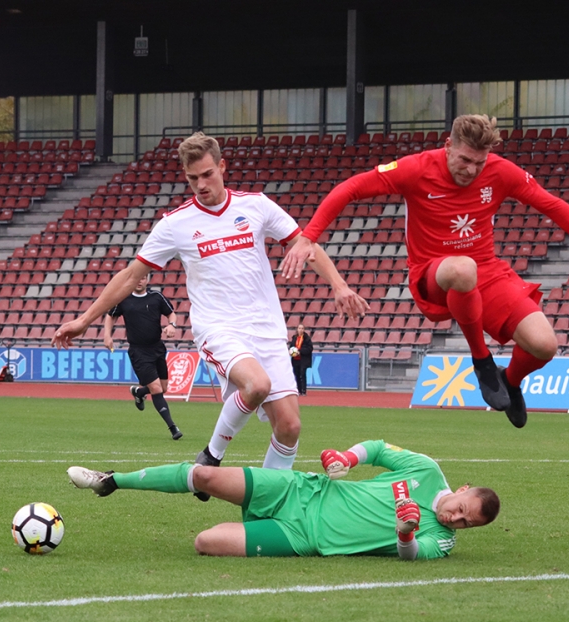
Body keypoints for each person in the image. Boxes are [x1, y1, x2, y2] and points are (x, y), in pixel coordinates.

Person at [52, 132, 368, 501]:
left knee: (290, 426)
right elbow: (131, 275)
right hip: (218, 327)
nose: (201, 185)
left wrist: (339, 285)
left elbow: (305, 246)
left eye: (207, 174)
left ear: (221, 167)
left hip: (266, 328)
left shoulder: (256, 206)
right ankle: (212, 456)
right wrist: (86, 320)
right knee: (256, 385)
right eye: (192, 179)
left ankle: (268, 504)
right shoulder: (176, 223)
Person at [282, 115, 569, 428]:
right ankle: (481, 360)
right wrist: (308, 237)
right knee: (463, 268)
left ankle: (510, 380)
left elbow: (551, 203)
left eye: (479, 163)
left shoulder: (501, 172)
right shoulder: (415, 168)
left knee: (545, 345)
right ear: (448, 144)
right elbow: (350, 188)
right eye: (465, 160)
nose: (471, 170)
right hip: (432, 273)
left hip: (488, 271)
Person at [66, 438, 499, 559]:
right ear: (461, 491)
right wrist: (347, 457)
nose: (454, 521)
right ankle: (111, 480)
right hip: (304, 488)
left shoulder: (440, 543)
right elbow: (380, 449)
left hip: (300, 536)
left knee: (206, 542)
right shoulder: (426, 470)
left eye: (466, 525)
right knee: (204, 475)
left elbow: (411, 555)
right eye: (460, 511)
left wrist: (405, 533)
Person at [103, 273, 183, 441]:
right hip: (138, 351)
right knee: (156, 389)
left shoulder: (156, 296)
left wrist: (171, 325)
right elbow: (111, 315)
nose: (139, 281)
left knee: (163, 388)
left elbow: (172, 314)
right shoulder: (124, 298)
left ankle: (139, 392)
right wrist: (107, 335)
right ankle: (173, 427)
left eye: (143, 278)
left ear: (147, 279)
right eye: (137, 278)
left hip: (157, 348)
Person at [289, 323, 314, 395]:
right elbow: (291, 347)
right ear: (297, 329)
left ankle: (303, 391)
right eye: (299, 328)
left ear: (304, 330)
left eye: (302, 328)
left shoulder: (307, 338)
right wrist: (291, 351)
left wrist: (300, 351)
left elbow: (310, 348)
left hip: (303, 360)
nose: (301, 330)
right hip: (295, 359)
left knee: (302, 374)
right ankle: (298, 390)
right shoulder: (294, 338)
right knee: (296, 374)